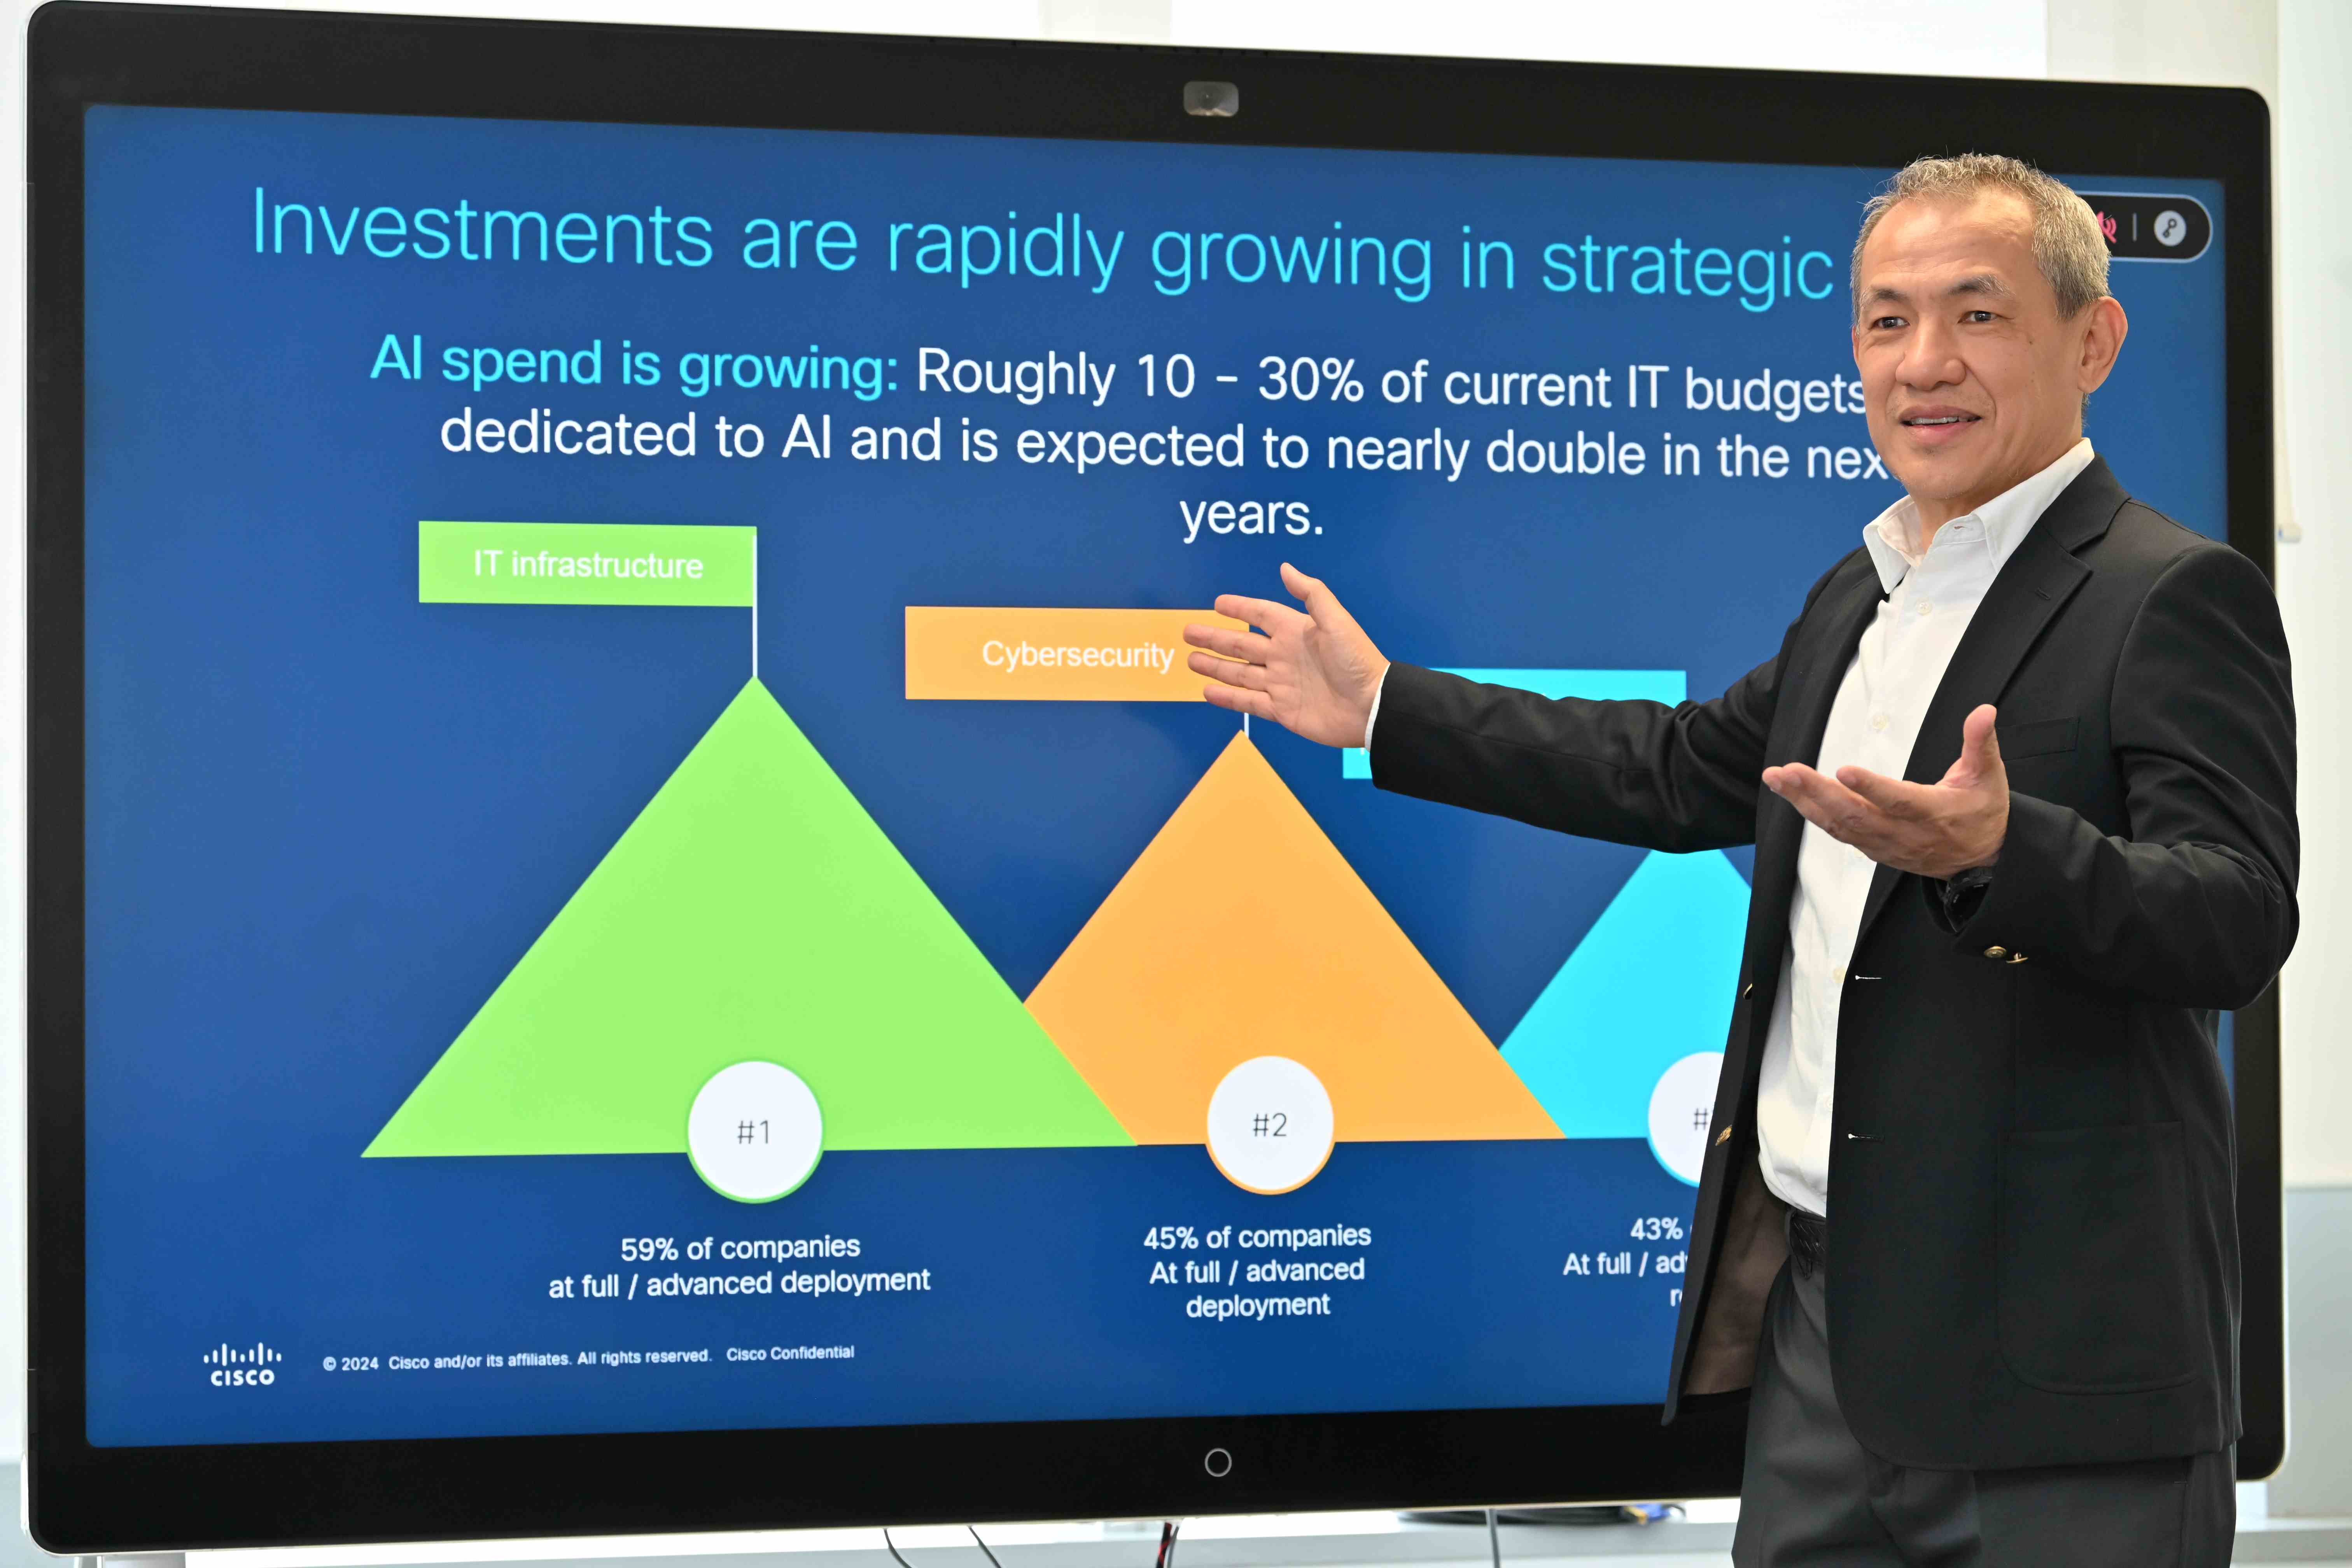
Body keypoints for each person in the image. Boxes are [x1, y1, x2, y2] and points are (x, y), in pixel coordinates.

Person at [1183, 154, 2296, 1566]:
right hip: (1826, 1344)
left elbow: (2236, 917)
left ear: (2094, 340)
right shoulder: (1860, 596)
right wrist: (1388, 708)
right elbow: (1674, 770)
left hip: (2058, 1388)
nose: (1924, 361)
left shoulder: (2172, 593)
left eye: (1979, 314)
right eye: (1887, 321)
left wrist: (2007, 850)